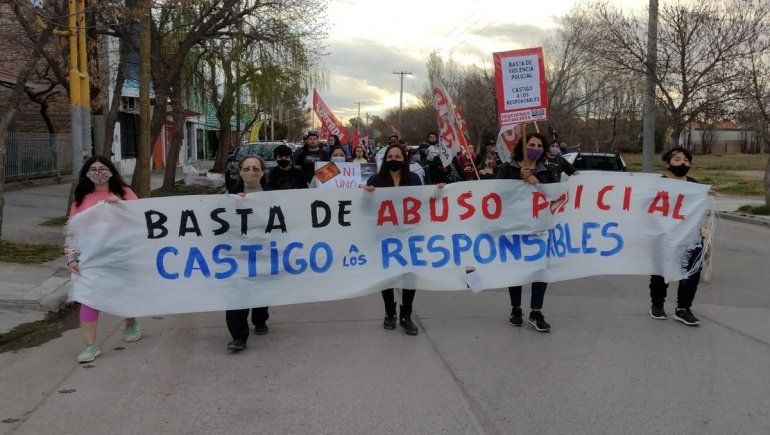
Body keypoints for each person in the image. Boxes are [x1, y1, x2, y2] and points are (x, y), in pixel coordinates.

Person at [66, 156, 141, 363]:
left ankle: (131, 321)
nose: (98, 172)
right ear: (86, 173)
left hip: (121, 255)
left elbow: (140, 219)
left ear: (110, 170)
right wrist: (71, 258)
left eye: (102, 168)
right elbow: (72, 231)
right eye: (93, 169)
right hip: (91, 258)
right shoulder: (81, 199)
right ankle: (90, 345)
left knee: (123, 293)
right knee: (89, 298)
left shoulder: (125, 193)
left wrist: (121, 206)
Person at [496, 132, 556, 333]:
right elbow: (496, 193)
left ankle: (536, 312)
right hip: (514, 227)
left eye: (539, 145)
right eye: (531, 144)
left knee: (540, 270)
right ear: (523, 145)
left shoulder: (547, 170)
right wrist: (518, 180)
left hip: (539, 229)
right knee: (516, 269)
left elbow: (555, 195)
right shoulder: (507, 168)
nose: (535, 148)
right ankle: (516, 309)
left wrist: (535, 181)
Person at [649, 146, 713, 326]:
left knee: (691, 273)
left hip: (689, 238)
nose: (682, 163)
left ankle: (683, 309)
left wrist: (707, 194)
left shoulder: (694, 185)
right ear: (668, 163)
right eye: (677, 159)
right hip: (664, 237)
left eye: (686, 160)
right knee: (661, 273)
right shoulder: (658, 184)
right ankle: (657, 305)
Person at [363, 144, 423, 335]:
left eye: (397, 156)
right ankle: (390, 313)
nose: (393, 160)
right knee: (386, 275)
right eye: (390, 157)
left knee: (409, 275)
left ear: (404, 159)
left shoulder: (413, 179)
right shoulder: (375, 180)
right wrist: (366, 194)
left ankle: (406, 315)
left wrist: (438, 191)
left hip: (409, 234)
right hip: (384, 235)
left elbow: (424, 202)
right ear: (384, 160)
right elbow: (365, 208)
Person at [226, 156, 271, 352]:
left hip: (264, 251)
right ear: (240, 172)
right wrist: (233, 204)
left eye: (255, 168)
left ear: (263, 172)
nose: (251, 172)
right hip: (237, 253)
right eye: (246, 169)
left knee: (261, 290)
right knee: (237, 293)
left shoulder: (274, 195)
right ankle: (238, 336)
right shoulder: (228, 196)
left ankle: (260, 320)